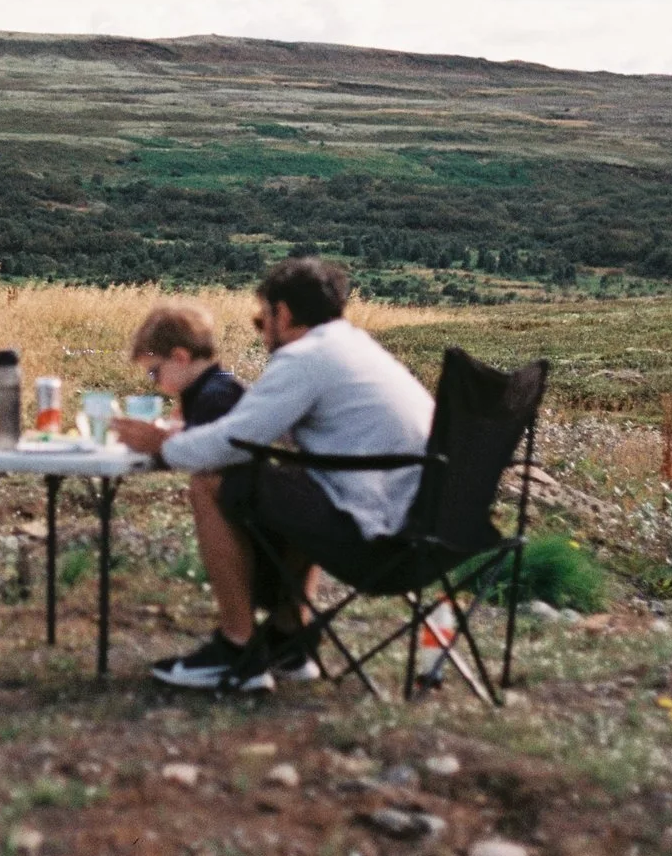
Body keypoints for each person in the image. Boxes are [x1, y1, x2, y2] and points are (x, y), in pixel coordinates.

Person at [112, 256, 434, 692]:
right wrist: (187, 434)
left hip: (378, 534)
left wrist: (162, 446)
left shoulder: (306, 357)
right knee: (294, 484)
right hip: (424, 525)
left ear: (282, 313)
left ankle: (238, 648)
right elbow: (265, 427)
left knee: (210, 480)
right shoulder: (351, 347)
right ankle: (289, 639)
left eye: (260, 320)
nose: (261, 331)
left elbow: (233, 443)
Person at [127, 298, 245, 429]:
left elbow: (203, 448)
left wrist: (162, 440)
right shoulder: (211, 389)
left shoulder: (216, 398)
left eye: (153, 372)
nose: (154, 381)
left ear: (180, 358)